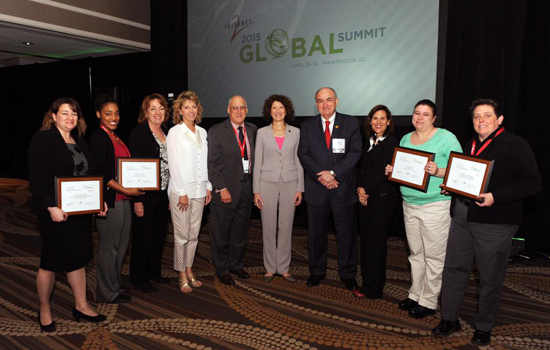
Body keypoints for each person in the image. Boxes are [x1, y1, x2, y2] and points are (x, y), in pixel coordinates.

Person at [431, 99, 542, 346]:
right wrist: (454, 188)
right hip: (461, 217)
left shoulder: (516, 145)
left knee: (490, 277)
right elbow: (465, 176)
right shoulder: (469, 144)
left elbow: (533, 183)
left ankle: (484, 325)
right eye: (477, 117)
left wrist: (496, 197)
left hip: (495, 224)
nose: (481, 121)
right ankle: (449, 319)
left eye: (487, 116)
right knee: (453, 270)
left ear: (499, 119)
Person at [28, 98, 107, 332]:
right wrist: (50, 206)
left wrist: (98, 199)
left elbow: (88, 175)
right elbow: (36, 178)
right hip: (54, 212)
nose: (70, 118)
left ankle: (81, 305)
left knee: (79, 258)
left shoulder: (79, 141)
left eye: (74, 113)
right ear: (53, 116)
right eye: (64, 113)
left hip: (79, 213)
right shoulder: (43, 139)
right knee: (50, 262)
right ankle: (44, 309)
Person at [385, 99, 462, 318]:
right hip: (409, 204)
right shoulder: (406, 138)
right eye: (416, 113)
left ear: (434, 117)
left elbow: (461, 168)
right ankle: (415, 294)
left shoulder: (446, 138)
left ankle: (429, 301)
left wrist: (438, 171)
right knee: (415, 254)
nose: (419, 118)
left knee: (434, 256)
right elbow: (403, 167)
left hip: (435, 205)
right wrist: (393, 169)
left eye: (425, 114)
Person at [297, 87, 362, 293]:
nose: (324, 105)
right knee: (316, 235)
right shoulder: (307, 125)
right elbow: (304, 154)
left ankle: (348, 274)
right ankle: (316, 272)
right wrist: (322, 175)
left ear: (336, 101)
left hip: (342, 188)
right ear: (315, 104)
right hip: (317, 189)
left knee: (346, 235)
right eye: (320, 101)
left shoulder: (350, 123)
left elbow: (355, 153)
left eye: (328, 100)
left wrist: (333, 174)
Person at [89, 95, 144, 304]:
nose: (114, 117)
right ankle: (105, 292)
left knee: (121, 246)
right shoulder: (98, 138)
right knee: (109, 247)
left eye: (117, 113)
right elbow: (102, 174)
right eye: (108, 113)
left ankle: (113, 284)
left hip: (122, 199)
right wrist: (126, 191)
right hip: (111, 201)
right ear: (98, 115)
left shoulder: (114, 136)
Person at [253, 94, 304, 283]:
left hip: (290, 182)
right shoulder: (262, 132)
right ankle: (269, 268)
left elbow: (299, 161)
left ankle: (283, 267)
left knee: (286, 225)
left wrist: (300, 188)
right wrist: (255, 190)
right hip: (266, 182)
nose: (277, 111)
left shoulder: (296, 132)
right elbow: (257, 162)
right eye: (274, 108)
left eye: (281, 107)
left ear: (286, 110)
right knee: (268, 226)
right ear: (269, 111)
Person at [207, 95, 257, 285]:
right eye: (234, 108)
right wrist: (221, 187)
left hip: (246, 189)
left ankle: (236, 264)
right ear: (228, 110)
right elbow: (212, 164)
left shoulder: (252, 130)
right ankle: (222, 268)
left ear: (247, 109)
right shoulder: (217, 131)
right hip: (226, 191)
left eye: (242, 107)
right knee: (221, 233)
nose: (238, 111)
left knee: (240, 232)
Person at [166, 91, 212, 293]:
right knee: (181, 236)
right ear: (179, 111)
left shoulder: (202, 132)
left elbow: (205, 162)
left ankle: (189, 268)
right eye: (187, 107)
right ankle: (181, 273)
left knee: (194, 235)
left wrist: (208, 186)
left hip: (200, 189)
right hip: (181, 190)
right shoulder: (175, 132)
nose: (191, 110)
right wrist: (181, 191)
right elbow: (174, 165)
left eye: (194, 106)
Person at [128, 94, 171, 293]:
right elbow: (134, 168)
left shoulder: (167, 132)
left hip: (163, 194)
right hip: (145, 195)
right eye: (153, 108)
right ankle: (139, 276)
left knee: (158, 236)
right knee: (142, 236)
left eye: (161, 108)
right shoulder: (139, 133)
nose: (157, 112)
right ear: (146, 112)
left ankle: (154, 272)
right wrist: (137, 200)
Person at [356, 105, 398, 299]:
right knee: (366, 242)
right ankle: (368, 283)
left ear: (388, 121)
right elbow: (362, 169)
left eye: (382, 118)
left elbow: (383, 172)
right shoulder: (369, 141)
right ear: (370, 121)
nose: (378, 122)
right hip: (366, 200)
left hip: (381, 201)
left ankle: (374, 288)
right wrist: (359, 188)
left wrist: (366, 191)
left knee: (376, 245)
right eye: (375, 118)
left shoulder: (392, 143)